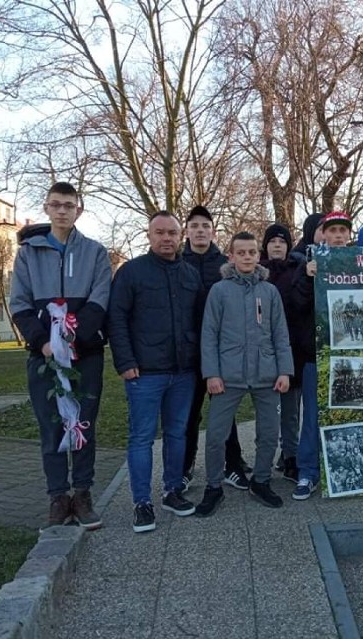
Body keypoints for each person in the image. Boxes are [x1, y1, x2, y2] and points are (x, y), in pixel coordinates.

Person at [9, 181, 111, 530]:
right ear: (47, 208)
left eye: (69, 205)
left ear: (78, 209)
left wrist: (75, 340)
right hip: (45, 355)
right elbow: (20, 304)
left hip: (86, 354)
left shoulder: (96, 252)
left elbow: (100, 300)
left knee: (82, 424)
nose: (63, 210)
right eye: (56, 205)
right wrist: (44, 342)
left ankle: (82, 494)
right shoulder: (27, 254)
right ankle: (57, 496)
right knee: (51, 425)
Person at [107, 211, 204, 532]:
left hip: (183, 372)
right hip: (144, 372)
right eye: (160, 232)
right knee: (142, 438)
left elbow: (200, 322)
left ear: (181, 237)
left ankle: (172, 490)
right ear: (149, 236)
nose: (166, 238)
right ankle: (141, 502)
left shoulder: (190, 274)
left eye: (172, 233)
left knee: (177, 434)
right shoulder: (131, 273)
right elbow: (116, 319)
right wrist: (125, 362)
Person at [195, 232, 294, 516]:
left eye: (252, 252)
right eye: (242, 253)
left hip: (266, 373)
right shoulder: (220, 290)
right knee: (215, 435)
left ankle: (261, 481)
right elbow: (209, 335)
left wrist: (284, 370)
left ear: (257, 255)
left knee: (268, 433)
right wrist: (211, 374)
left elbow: (280, 333)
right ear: (232, 256)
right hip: (228, 375)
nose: (248, 257)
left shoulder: (270, 291)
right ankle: (214, 487)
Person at [181, 205, 249, 491]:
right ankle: (185, 468)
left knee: (225, 413)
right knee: (189, 414)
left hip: (223, 353)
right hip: (187, 352)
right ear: (187, 231)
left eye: (205, 226)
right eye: (194, 225)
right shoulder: (176, 261)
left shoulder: (226, 264)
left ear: (213, 231)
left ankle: (232, 465)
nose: (200, 230)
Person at [290, 210, 352, 500]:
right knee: (312, 416)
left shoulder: (360, 263)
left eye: (343, 231)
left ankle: (345, 469)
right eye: (333, 231)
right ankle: (307, 472)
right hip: (319, 354)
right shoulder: (309, 264)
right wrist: (307, 277)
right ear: (322, 234)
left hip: (353, 353)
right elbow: (296, 306)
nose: (338, 236)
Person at [259, 222, 305, 481]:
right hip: (263, 352)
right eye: (273, 241)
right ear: (265, 245)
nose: (277, 245)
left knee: (290, 412)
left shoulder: (296, 271)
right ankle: (263, 461)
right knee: (266, 413)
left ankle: (290, 456)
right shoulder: (256, 272)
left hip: (292, 350)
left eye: (282, 241)